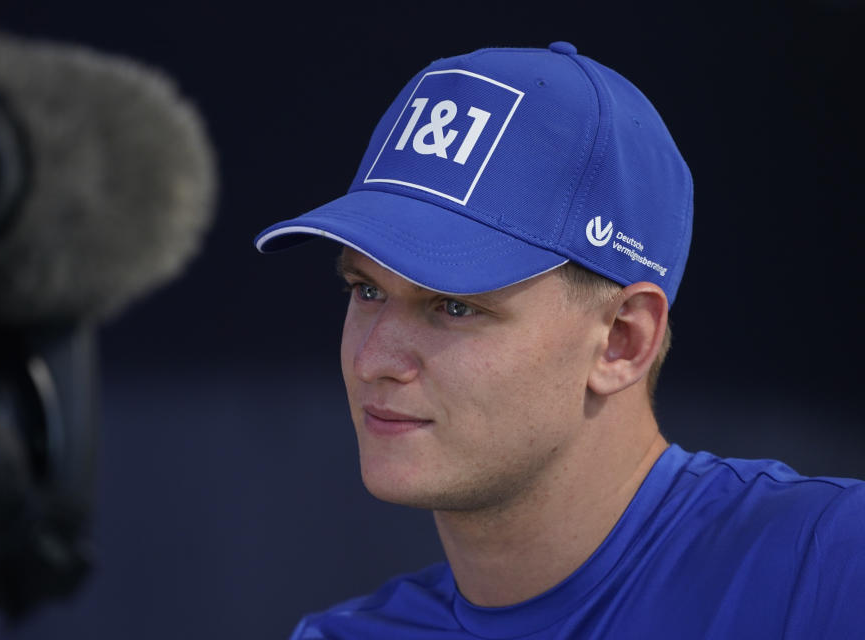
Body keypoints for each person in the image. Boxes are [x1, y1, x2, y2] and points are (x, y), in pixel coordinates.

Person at [255, 43, 865, 639]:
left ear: (622, 340)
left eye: (455, 305)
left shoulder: (831, 564)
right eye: (365, 291)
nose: (373, 360)